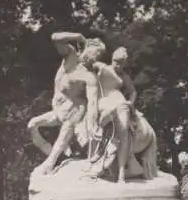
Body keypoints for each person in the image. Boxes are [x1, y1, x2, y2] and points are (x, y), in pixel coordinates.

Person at [27, 32, 102, 175]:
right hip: (58, 109)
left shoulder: (89, 76)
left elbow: (92, 103)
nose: (94, 57)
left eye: (97, 56)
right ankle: (58, 156)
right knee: (32, 125)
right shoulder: (71, 57)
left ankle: (50, 162)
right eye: (93, 52)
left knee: (67, 127)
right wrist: (78, 36)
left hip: (75, 110)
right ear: (85, 48)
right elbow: (55, 37)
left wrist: (92, 125)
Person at [89, 46, 138, 183]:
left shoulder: (124, 76)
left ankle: (121, 172)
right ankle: (101, 148)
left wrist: (131, 102)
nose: (118, 66)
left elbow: (133, 91)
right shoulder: (104, 68)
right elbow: (91, 65)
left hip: (121, 102)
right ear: (112, 59)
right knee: (108, 114)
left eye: (122, 63)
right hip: (105, 101)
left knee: (123, 132)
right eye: (116, 62)